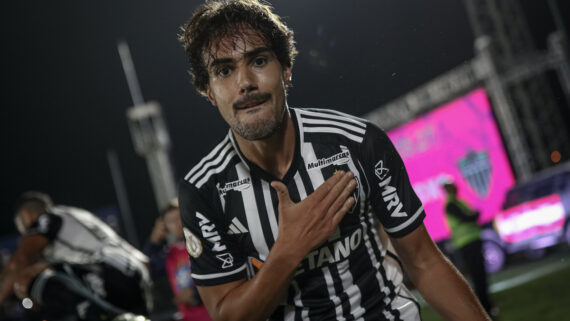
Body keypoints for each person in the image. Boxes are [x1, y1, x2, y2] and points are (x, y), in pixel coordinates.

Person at [177, 1, 491, 320]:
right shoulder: (202, 191)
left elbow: (425, 262)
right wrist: (288, 251)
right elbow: (227, 316)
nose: (245, 82)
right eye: (224, 70)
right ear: (209, 91)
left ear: (286, 70)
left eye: (258, 60)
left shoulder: (358, 142)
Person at [0, 191, 152, 321]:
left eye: (20, 226)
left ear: (27, 216)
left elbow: (19, 262)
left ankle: (112, 317)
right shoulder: (78, 215)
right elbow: (145, 261)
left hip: (111, 273)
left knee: (31, 279)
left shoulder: (48, 218)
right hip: (138, 283)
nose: (23, 233)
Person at [441, 179, 496, 317]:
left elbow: (470, 216)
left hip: (471, 242)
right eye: (452, 187)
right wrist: (474, 215)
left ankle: (485, 307)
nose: (455, 188)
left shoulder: (456, 202)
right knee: (478, 277)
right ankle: (483, 308)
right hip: (467, 244)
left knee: (480, 276)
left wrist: (473, 215)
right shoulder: (451, 204)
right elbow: (468, 217)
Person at [161, 198, 211, 321]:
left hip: (212, 314)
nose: (177, 223)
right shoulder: (168, 254)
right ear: (165, 226)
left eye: (179, 217)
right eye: (171, 221)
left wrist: (194, 295)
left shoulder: (205, 243)